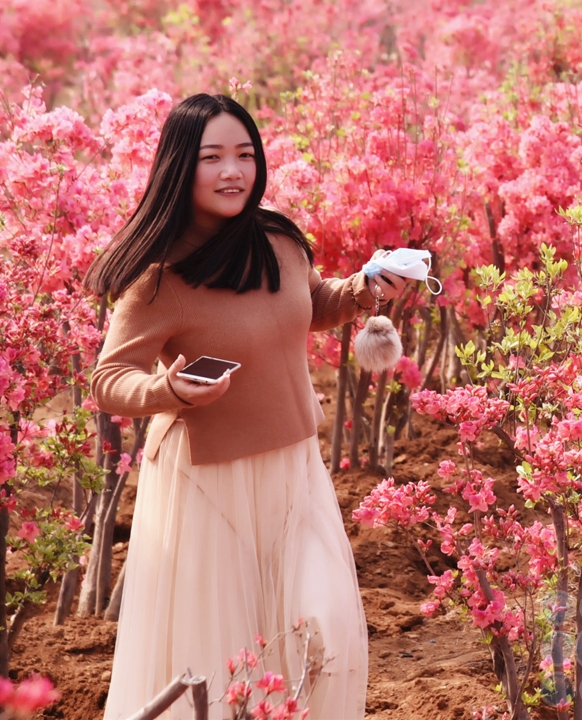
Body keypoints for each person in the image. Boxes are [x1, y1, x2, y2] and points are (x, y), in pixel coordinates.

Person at [85, 93, 405, 719]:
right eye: (212, 158)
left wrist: (364, 289)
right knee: (227, 653)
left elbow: (309, 305)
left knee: (325, 623)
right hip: (207, 484)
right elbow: (108, 378)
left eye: (244, 154)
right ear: (181, 166)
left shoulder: (279, 239)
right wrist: (168, 392)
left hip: (294, 470)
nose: (233, 171)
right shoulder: (159, 277)